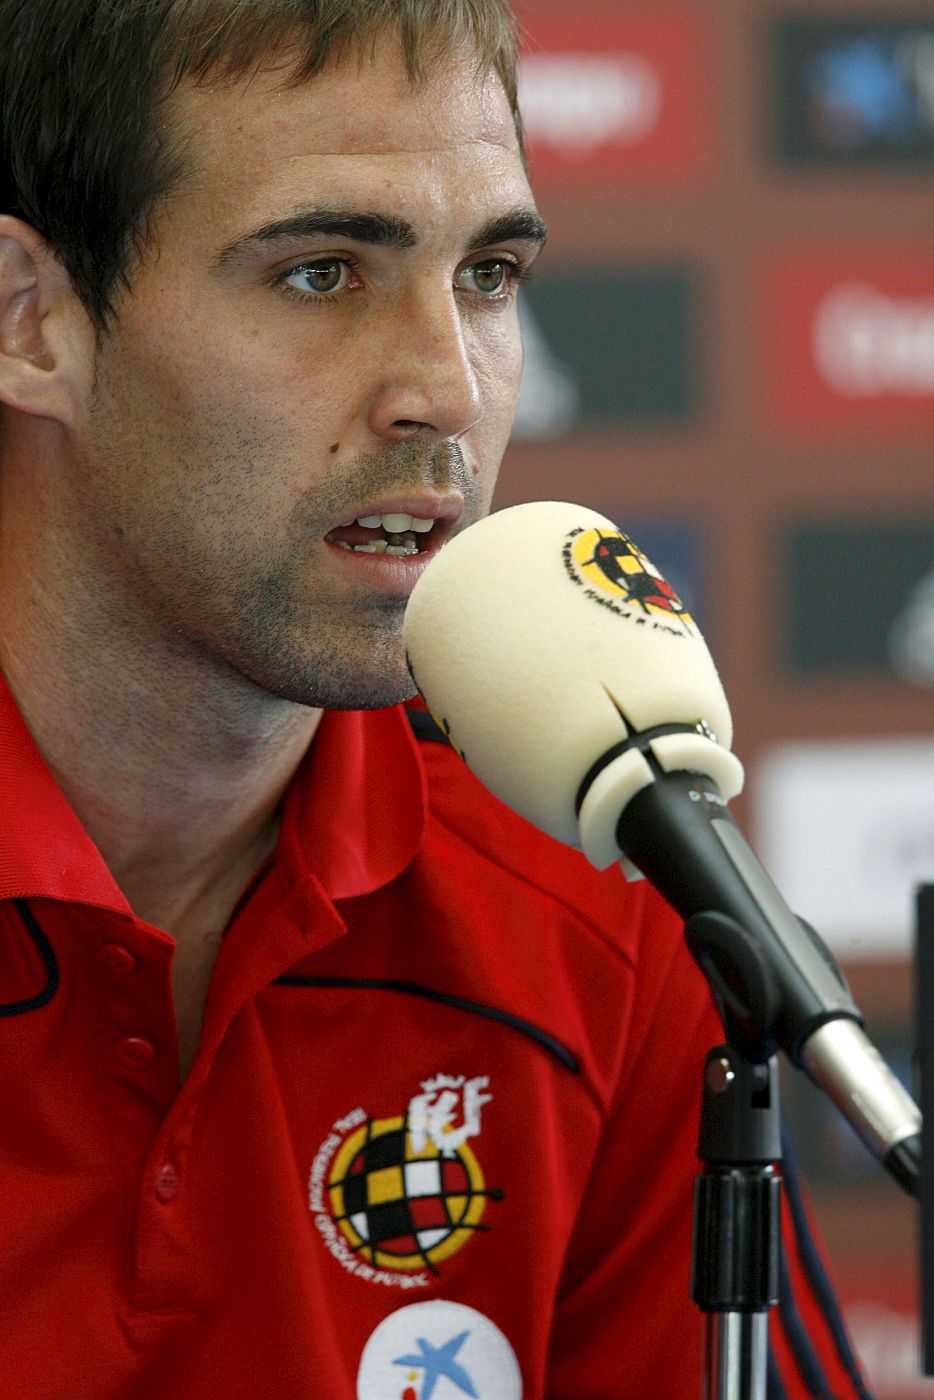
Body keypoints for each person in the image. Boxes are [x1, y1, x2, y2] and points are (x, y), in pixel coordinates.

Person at [0, 1, 874, 1395]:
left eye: (487, 274)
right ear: (30, 321)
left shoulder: (602, 900)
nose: (447, 393)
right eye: (322, 274)